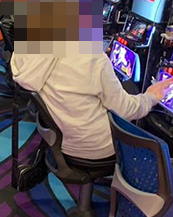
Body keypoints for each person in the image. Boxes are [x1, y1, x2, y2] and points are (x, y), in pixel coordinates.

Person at [12, 55, 173, 160]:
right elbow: (126, 110)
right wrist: (151, 97)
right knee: (131, 93)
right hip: (93, 146)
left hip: (59, 135)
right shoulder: (92, 56)